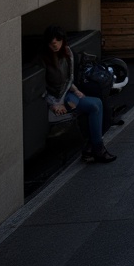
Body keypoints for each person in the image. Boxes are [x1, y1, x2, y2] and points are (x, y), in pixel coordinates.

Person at [42, 25, 116, 163]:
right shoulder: (44, 60)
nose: (56, 45)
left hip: (68, 96)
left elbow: (68, 78)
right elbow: (41, 88)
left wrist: (76, 90)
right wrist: (53, 104)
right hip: (56, 100)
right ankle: (96, 149)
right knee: (94, 105)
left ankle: (93, 148)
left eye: (58, 41)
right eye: (52, 43)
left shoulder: (67, 53)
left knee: (97, 104)